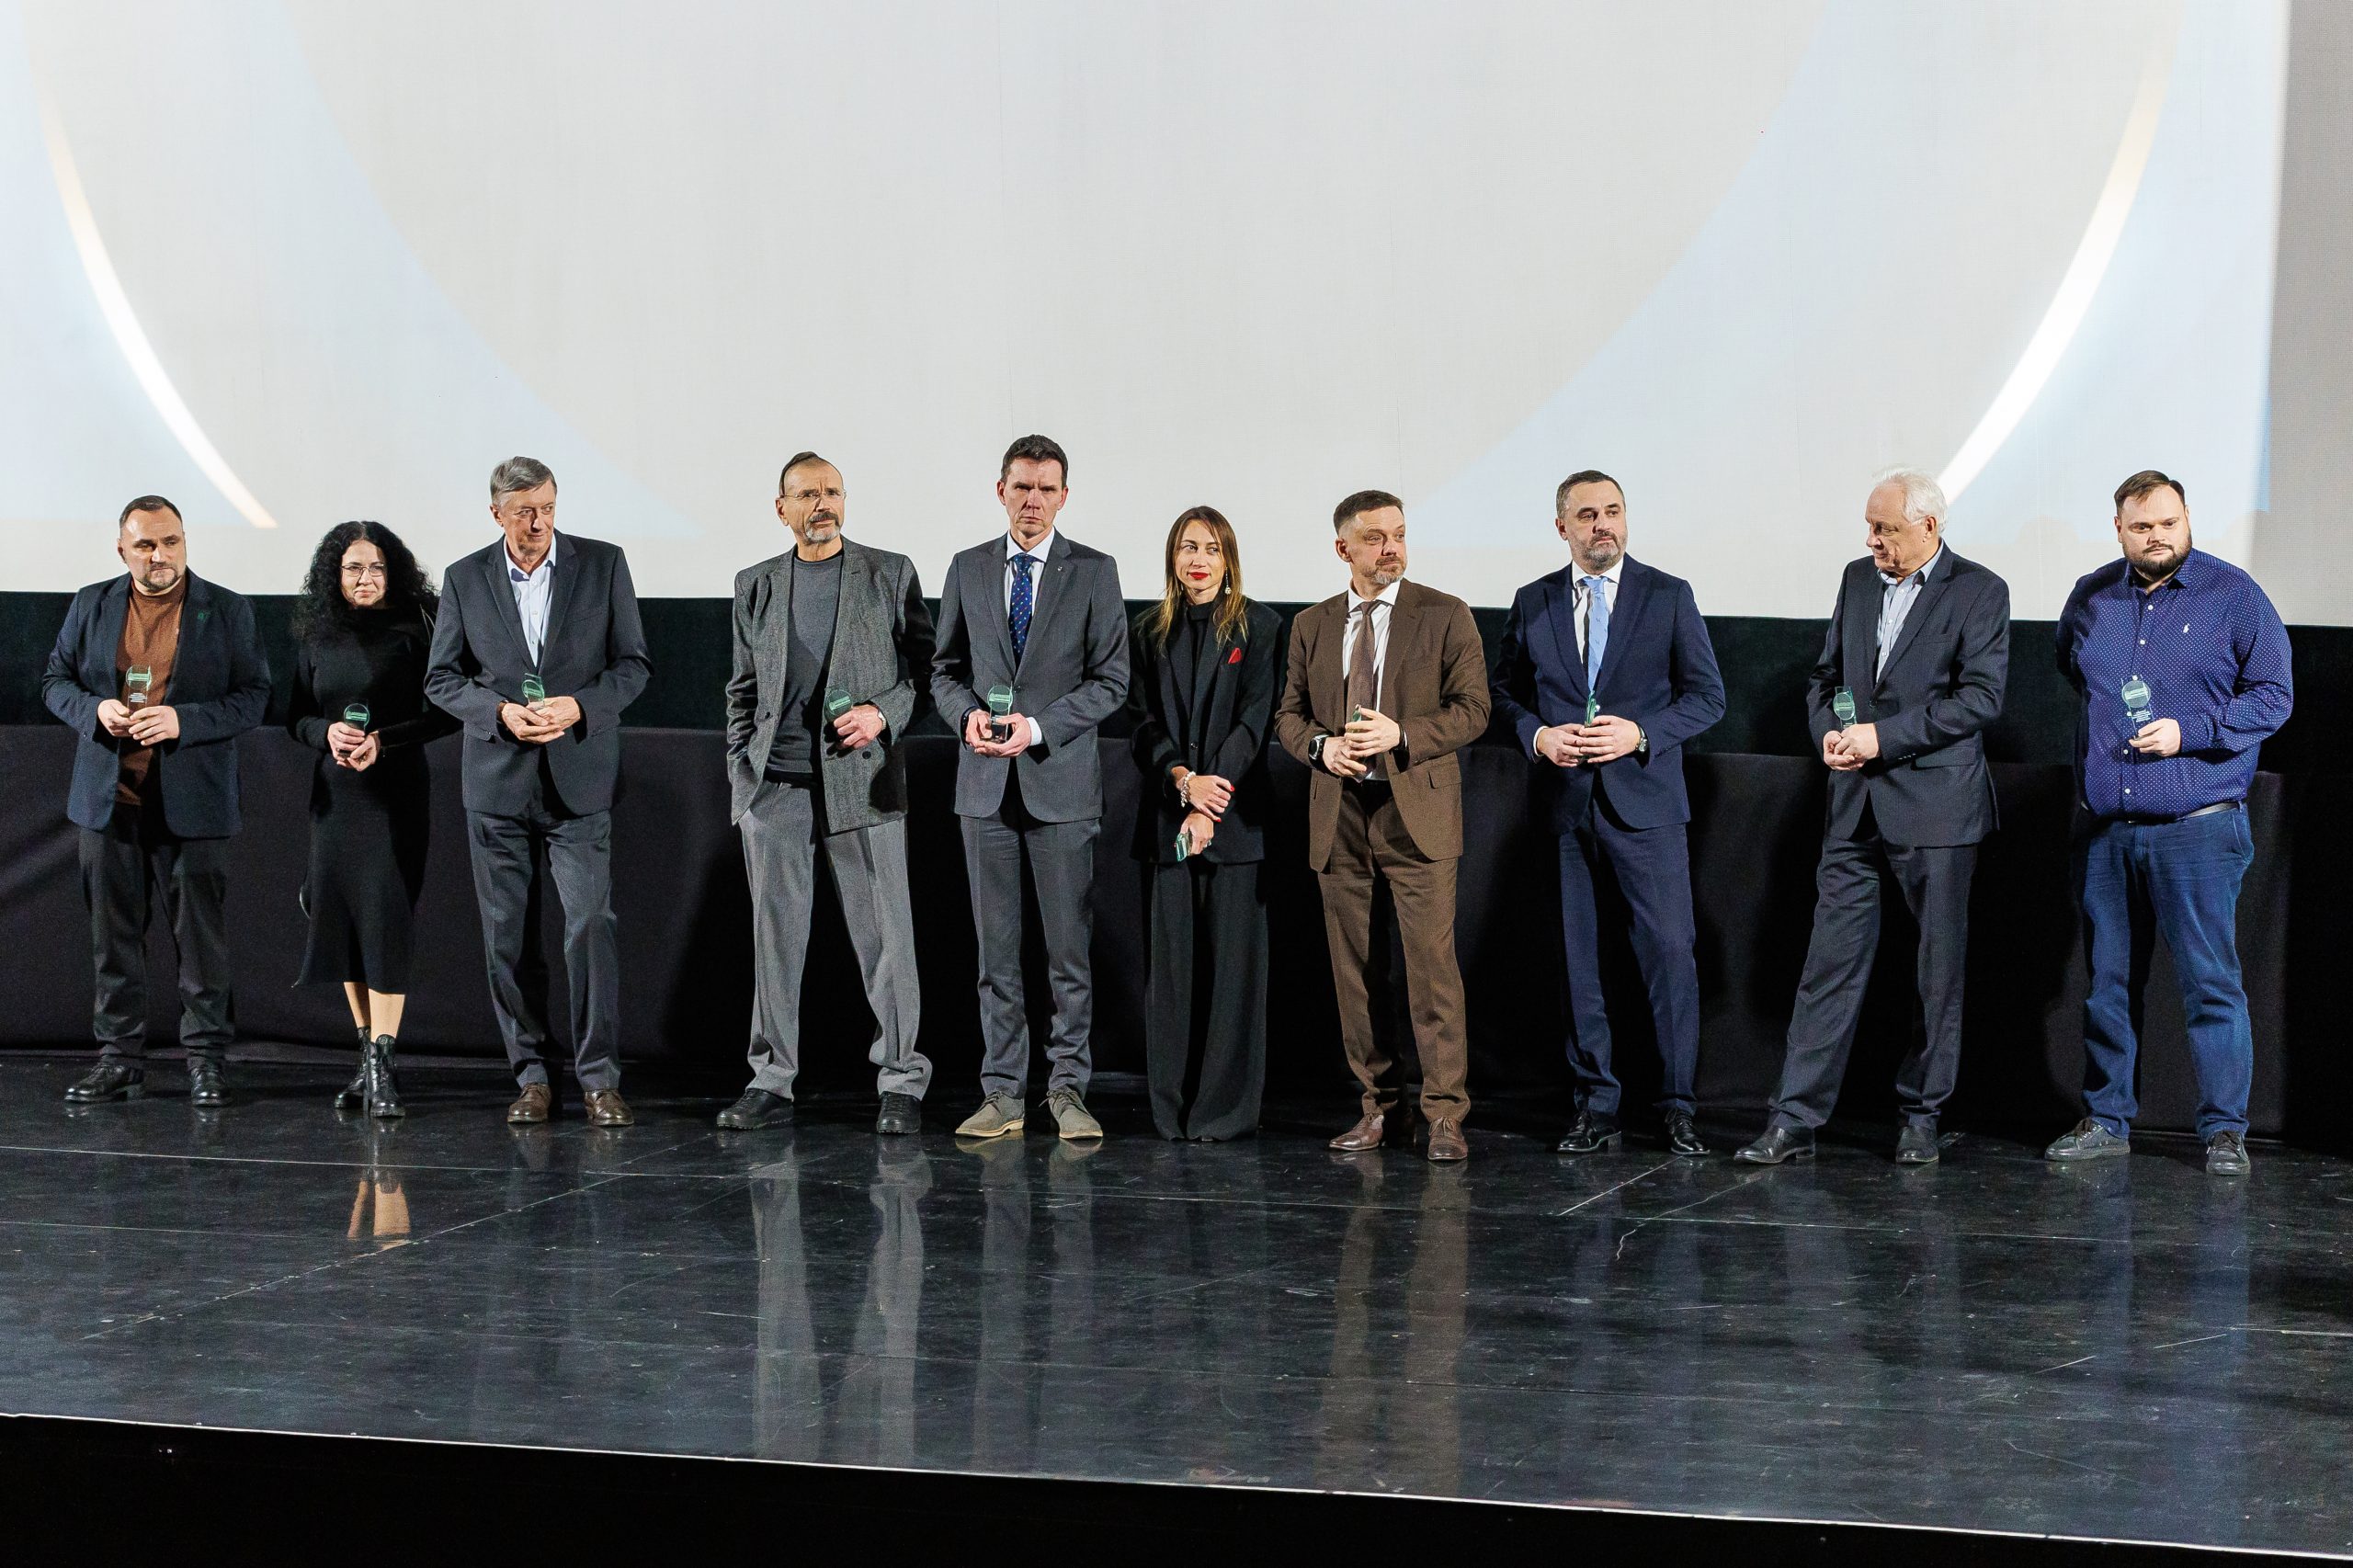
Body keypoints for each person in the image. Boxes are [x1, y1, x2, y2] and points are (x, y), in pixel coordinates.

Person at [1736, 469, 2008, 1166]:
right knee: (1827, 965)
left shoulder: (1980, 590)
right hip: (1853, 804)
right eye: (1870, 527)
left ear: (1929, 527)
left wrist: (1881, 738)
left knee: (1935, 973)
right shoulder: (1858, 580)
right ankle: (1794, 1118)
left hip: (1938, 810)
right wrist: (1830, 732)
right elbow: (1826, 678)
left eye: (1885, 529)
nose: (1872, 541)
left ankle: (1922, 1114)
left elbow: (1980, 699)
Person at [2043, 471, 2291, 1176]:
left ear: (2186, 520)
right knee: (2107, 984)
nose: (2157, 537)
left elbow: (2275, 696)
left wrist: (2192, 731)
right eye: (2142, 526)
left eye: (2168, 523)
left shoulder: (2233, 595)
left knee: (2211, 984)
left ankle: (2224, 1131)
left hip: (2199, 827)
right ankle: (2107, 1119)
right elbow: (2075, 672)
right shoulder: (2092, 597)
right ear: (2119, 529)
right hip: (2108, 831)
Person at [1491, 471, 1725, 1157]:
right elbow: (1502, 693)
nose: (1603, 525)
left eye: (1614, 511)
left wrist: (1641, 733)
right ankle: (1595, 1105)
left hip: (1646, 807)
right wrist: (1538, 734)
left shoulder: (1668, 594)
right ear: (1562, 526)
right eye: (1588, 514)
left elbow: (1707, 697)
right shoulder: (1533, 600)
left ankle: (1678, 1106)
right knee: (1579, 962)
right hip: (1565, 810)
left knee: (1670, 955)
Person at [425, 457, 652, 1127]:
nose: (538, 523)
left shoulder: (603, 565)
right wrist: (498, 712)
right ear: (496, 513)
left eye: (547, 508)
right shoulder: (465, 578)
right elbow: (442, 678)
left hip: (579, 780)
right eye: (524, 512)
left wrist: (580, 707)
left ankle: (599, 1079)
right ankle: (530, 1076)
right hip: (497, 782)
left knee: (590, 925)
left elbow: (633, 665)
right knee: (506, 939)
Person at [717, 452, 937, 1136]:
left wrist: (882, 714)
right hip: (775, 789)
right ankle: (770, 1079)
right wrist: (743, 780)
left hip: (863, 784)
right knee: (774, 944)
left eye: (833, 492)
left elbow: (928, 676)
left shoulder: (889, 574)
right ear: (781, 508)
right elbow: (742, 691)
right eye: (808, 494)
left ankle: (901, 1079)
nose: (823, 505)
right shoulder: (755, 584)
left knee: (887, 941)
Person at [1274, 491, 1490, 1163]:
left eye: (1398, 534)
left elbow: (1474, 709)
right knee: (1356, 975)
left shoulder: (1445, 614)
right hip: (1339, 815)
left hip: (1415, 814)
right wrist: (1320, 748)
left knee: (1431, 972)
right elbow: (1288, 716)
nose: (1391, 548)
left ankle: (1445, 1115)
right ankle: (1379, 1110)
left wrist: (1404, 735)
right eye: (1374, 538)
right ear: (1344, 548)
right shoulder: (1311, 624)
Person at [929, 434, 1130, 1142]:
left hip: (1060, 787)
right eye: (1022, 487)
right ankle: (1002, 1094)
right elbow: (944, 671)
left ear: (1064, 496)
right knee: (996, 957)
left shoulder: (1095, 572)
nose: (1033, 501)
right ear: (1001, 491)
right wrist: (966, 717)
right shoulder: (968, 567)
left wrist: (1039, 727)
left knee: (1067, 956)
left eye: (1046, 489)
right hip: (984, 790)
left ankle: (1067, 1091)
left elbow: (1112, 681)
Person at [42, 495, 269, 1108]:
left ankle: (206, 1062)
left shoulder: (227, 609)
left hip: (194, 807)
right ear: (123, 550)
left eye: (171, 542)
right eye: (145, 545)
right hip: (108, 803)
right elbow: (55, 682)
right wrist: (94, 710)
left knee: (201, 944)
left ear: (185, 542)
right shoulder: (91, 603)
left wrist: (182, 721)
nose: (160, 555)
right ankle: (119, 1060)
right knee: (113, 942)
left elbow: (254, 697)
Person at [286, 521, 457, 1118]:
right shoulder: (317, 634)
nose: (365, 578)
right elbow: (294, 716)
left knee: (385, 922)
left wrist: (384, 741)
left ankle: (385, 1064)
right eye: (354, 568)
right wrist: (324, 733)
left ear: (394, 572)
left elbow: (446, 714)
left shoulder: (417, 629)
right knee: (342, 924)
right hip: (335, 799)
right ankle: (366, 1061)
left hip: (394, 795)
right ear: (334, 575)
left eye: (376, 568)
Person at [1126, 506, 1281, 1141]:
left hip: (1237, 825)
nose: (1199, 559)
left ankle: (1223, 1114)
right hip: (1168, 822)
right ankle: (1171, 1111)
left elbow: (1256, 720)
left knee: (1233, 979)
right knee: (1171, 978)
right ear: (1173, 557)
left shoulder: (1262, 627)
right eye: (1188, 547)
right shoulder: (1147, 631)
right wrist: (1183, 782)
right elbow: (1139, 722)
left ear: (1228, 559)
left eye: (1212, 548)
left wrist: (1210, 798)